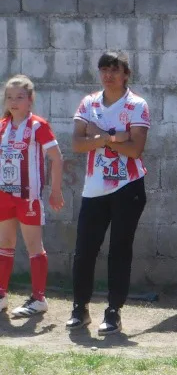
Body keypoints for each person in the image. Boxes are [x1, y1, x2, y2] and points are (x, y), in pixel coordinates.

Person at [67, 51, 150, 334]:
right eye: (103, 69)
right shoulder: (89, 103)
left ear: (126, 73)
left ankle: (113, 311)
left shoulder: (136, 104)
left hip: (128, 187)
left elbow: (135, 149)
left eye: (114, 69)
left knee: (119, 250)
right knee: (84, 250)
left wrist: (102, 137)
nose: (108, 75)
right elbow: (77, 143)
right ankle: (80, 307)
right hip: (94, 188)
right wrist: (116, 137)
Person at [0, 75, 63, 319]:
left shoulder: (38, 125)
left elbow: (56, 157)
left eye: (19, 97)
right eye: (9, 97)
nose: (14, 102)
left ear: (30, 100)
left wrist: (55, 190)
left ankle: (39, 299)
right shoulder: (3, 126)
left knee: (34, 247)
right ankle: (2, 295)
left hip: (29, 197)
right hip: (4, 195)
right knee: (5, 244)